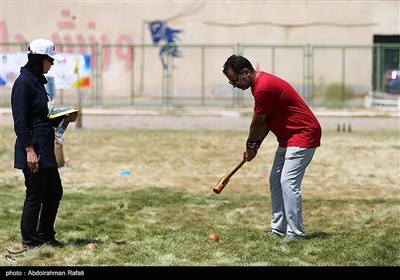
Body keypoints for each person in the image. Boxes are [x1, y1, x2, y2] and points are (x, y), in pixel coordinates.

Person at [222, 54, 322, 243]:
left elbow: (257, 122)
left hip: (303, 134)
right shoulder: (257, 86)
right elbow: (268, 120)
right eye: (231, 83)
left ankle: (295, 234)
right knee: (275, 180)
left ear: (245, 72)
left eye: (234, 80)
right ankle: (278, 229)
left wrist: (250, 145)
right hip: (287, 138)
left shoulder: (264, 87)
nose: (234, 85)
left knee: (288, 182)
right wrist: (256, 145)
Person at [11, 38, 78, 249]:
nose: (53, 63)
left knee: (54, 192)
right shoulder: (23, 83)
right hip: (33, 149)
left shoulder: (38, 81)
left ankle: (45, 236)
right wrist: (29, 150)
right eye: (50, 59)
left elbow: (42, 116)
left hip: (45, 149)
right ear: (40, 59)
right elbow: (20, 121)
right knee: (35, 195)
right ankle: (29, 242)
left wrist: (65, 117)